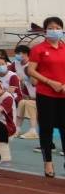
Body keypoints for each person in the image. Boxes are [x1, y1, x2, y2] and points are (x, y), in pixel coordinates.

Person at [25, 18, 65, 178]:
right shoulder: (38, 49)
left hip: (63, 93)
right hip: (46, 93)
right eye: (51, 28)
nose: (54, 30)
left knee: (64, 127)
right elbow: (31, 70)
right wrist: (50, 82)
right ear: (45, 30)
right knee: (47, 128)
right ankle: (48, 162)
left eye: (58, 27)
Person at [13, 45, 39, 139]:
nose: (16, 55)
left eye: (19, 53)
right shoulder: (16, 63)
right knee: (22, 102)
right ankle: (17, 129)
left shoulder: (33, 67)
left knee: (30, 103)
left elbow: (35, 83)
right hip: (30, 95)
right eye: (16, 53)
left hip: (40, 97)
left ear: (26, 54)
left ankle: (33, 130)